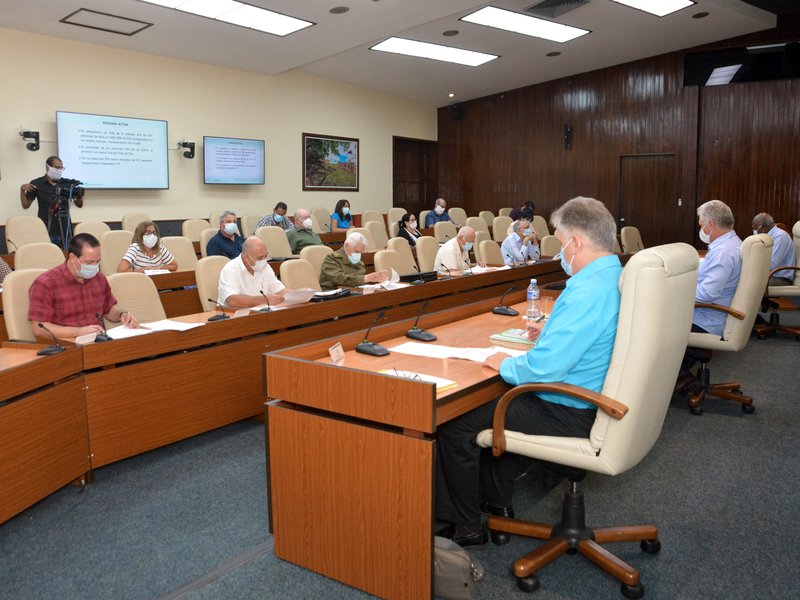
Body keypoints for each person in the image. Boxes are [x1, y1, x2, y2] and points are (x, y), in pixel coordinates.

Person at [435, 196, 622, 547]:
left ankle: (466, 525)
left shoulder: (584, 291)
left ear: (577, 242)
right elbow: (591, 335)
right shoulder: (612, 276)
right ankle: (498, 504)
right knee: (498, 406)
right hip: (593, 399)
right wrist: (552, 331)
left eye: (561, 239)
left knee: (456, 422)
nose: (560, 249)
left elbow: (542, 369)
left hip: (568, 409)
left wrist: (501, 362)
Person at [676, 200, 743, 390]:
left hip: (708, 319)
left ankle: (679, 376)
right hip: (719, 313)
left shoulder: (723, 252)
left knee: (653, 321)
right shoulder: (733, 243)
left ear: (710, 224)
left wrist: (675, 292)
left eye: (701, 224)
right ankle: (679, 373)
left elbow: (707, 294)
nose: (701, 229)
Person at [27, 233, 139, 339]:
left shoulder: (99, 278)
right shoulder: (46, 283)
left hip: (100, 343)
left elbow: (108, 309)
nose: (95, 267)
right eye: (89, 262)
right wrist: (78, 332)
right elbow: (38, 328)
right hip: (67, 346)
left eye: (98, 261)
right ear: (72, 257)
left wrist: (122, 315)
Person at [19, 156, 84, 246]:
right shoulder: (37, 183)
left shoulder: (66, 183)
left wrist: (78, 194)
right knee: (49, 256)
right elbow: (25, 205)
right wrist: (22, 190)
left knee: (67, 256)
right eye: (57, 167)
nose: (59, 170)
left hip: (65, 229)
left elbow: (79, 205)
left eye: (61, 168)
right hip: (46, 228)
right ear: (48, 167)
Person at [218, 236, 289, 308]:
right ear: (246, 258)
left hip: (261, 313)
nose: (264, 261)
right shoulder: (231, 269)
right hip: (234, 315)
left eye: (266, 256)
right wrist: (264, 300)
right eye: (260, 258)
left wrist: (298, 295)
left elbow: (280, 291)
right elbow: (232, 301)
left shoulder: (265, 267)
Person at [319, 232, 388, 290]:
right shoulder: (331, 259)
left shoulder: (358, 262)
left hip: (354, 292)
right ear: (346, 245)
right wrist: (366, 278)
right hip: (333, 295)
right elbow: (339, 278)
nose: (359, 255)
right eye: (357, 251)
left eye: (361, 252)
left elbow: (358, 280)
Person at [752, 212, 795, 286]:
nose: (754, 231)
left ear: (761, 227)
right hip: (769, 275)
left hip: (780, 278)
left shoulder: (780, 236)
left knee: (751, 283)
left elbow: (772, 264)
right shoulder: (766, 236)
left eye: (754, 228)